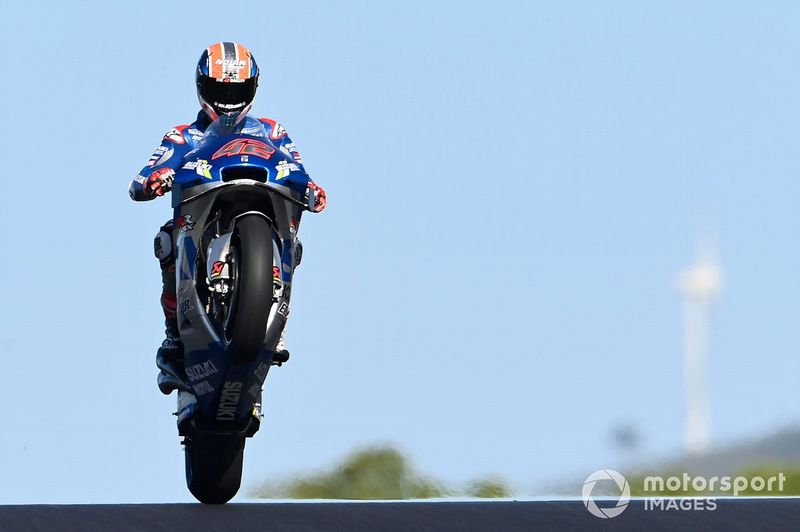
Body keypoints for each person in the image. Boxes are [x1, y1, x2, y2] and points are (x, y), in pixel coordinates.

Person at [129, 41, 326, 394]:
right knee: (165, 241)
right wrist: (154, 179)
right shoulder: (182, 136)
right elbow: (143, 178)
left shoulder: (272, 131)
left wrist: (312, 187)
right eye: (221, 89)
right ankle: (174, 335)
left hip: (263, 202)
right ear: (203, 87)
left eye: (235, 90)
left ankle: (273, 313)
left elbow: (297, 166)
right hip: (204, 213)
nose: (228, 98)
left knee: (294, 243)